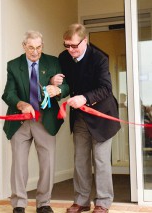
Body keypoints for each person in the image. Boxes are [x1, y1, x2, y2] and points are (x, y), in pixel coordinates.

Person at [56, 23, 121, 213]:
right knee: (80, 160)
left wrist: (84, 98)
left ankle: (103, 202)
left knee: (100, 161)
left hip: (102, 117)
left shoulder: (99, 58)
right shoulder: (64, 58)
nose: (70, 50)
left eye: (74, 46)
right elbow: (65, 83)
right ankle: (81, 201)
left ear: (85, 41)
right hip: (79, 118)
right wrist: (55, 82)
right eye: (66, 45)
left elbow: (106, 88)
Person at [2, 30, 69, 213]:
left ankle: (44, 203)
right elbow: (8, 93)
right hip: (20, 121)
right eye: (31, 47)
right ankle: (19, 204)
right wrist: (21, 104)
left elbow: (66, 85)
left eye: (38, 47)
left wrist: (58, 90)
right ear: (24, 46)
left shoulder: (53, 62)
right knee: (19, 164)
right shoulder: (14, 65)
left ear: (42, 46)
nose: (35, 52)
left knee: (48, 163)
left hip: (45, 120)